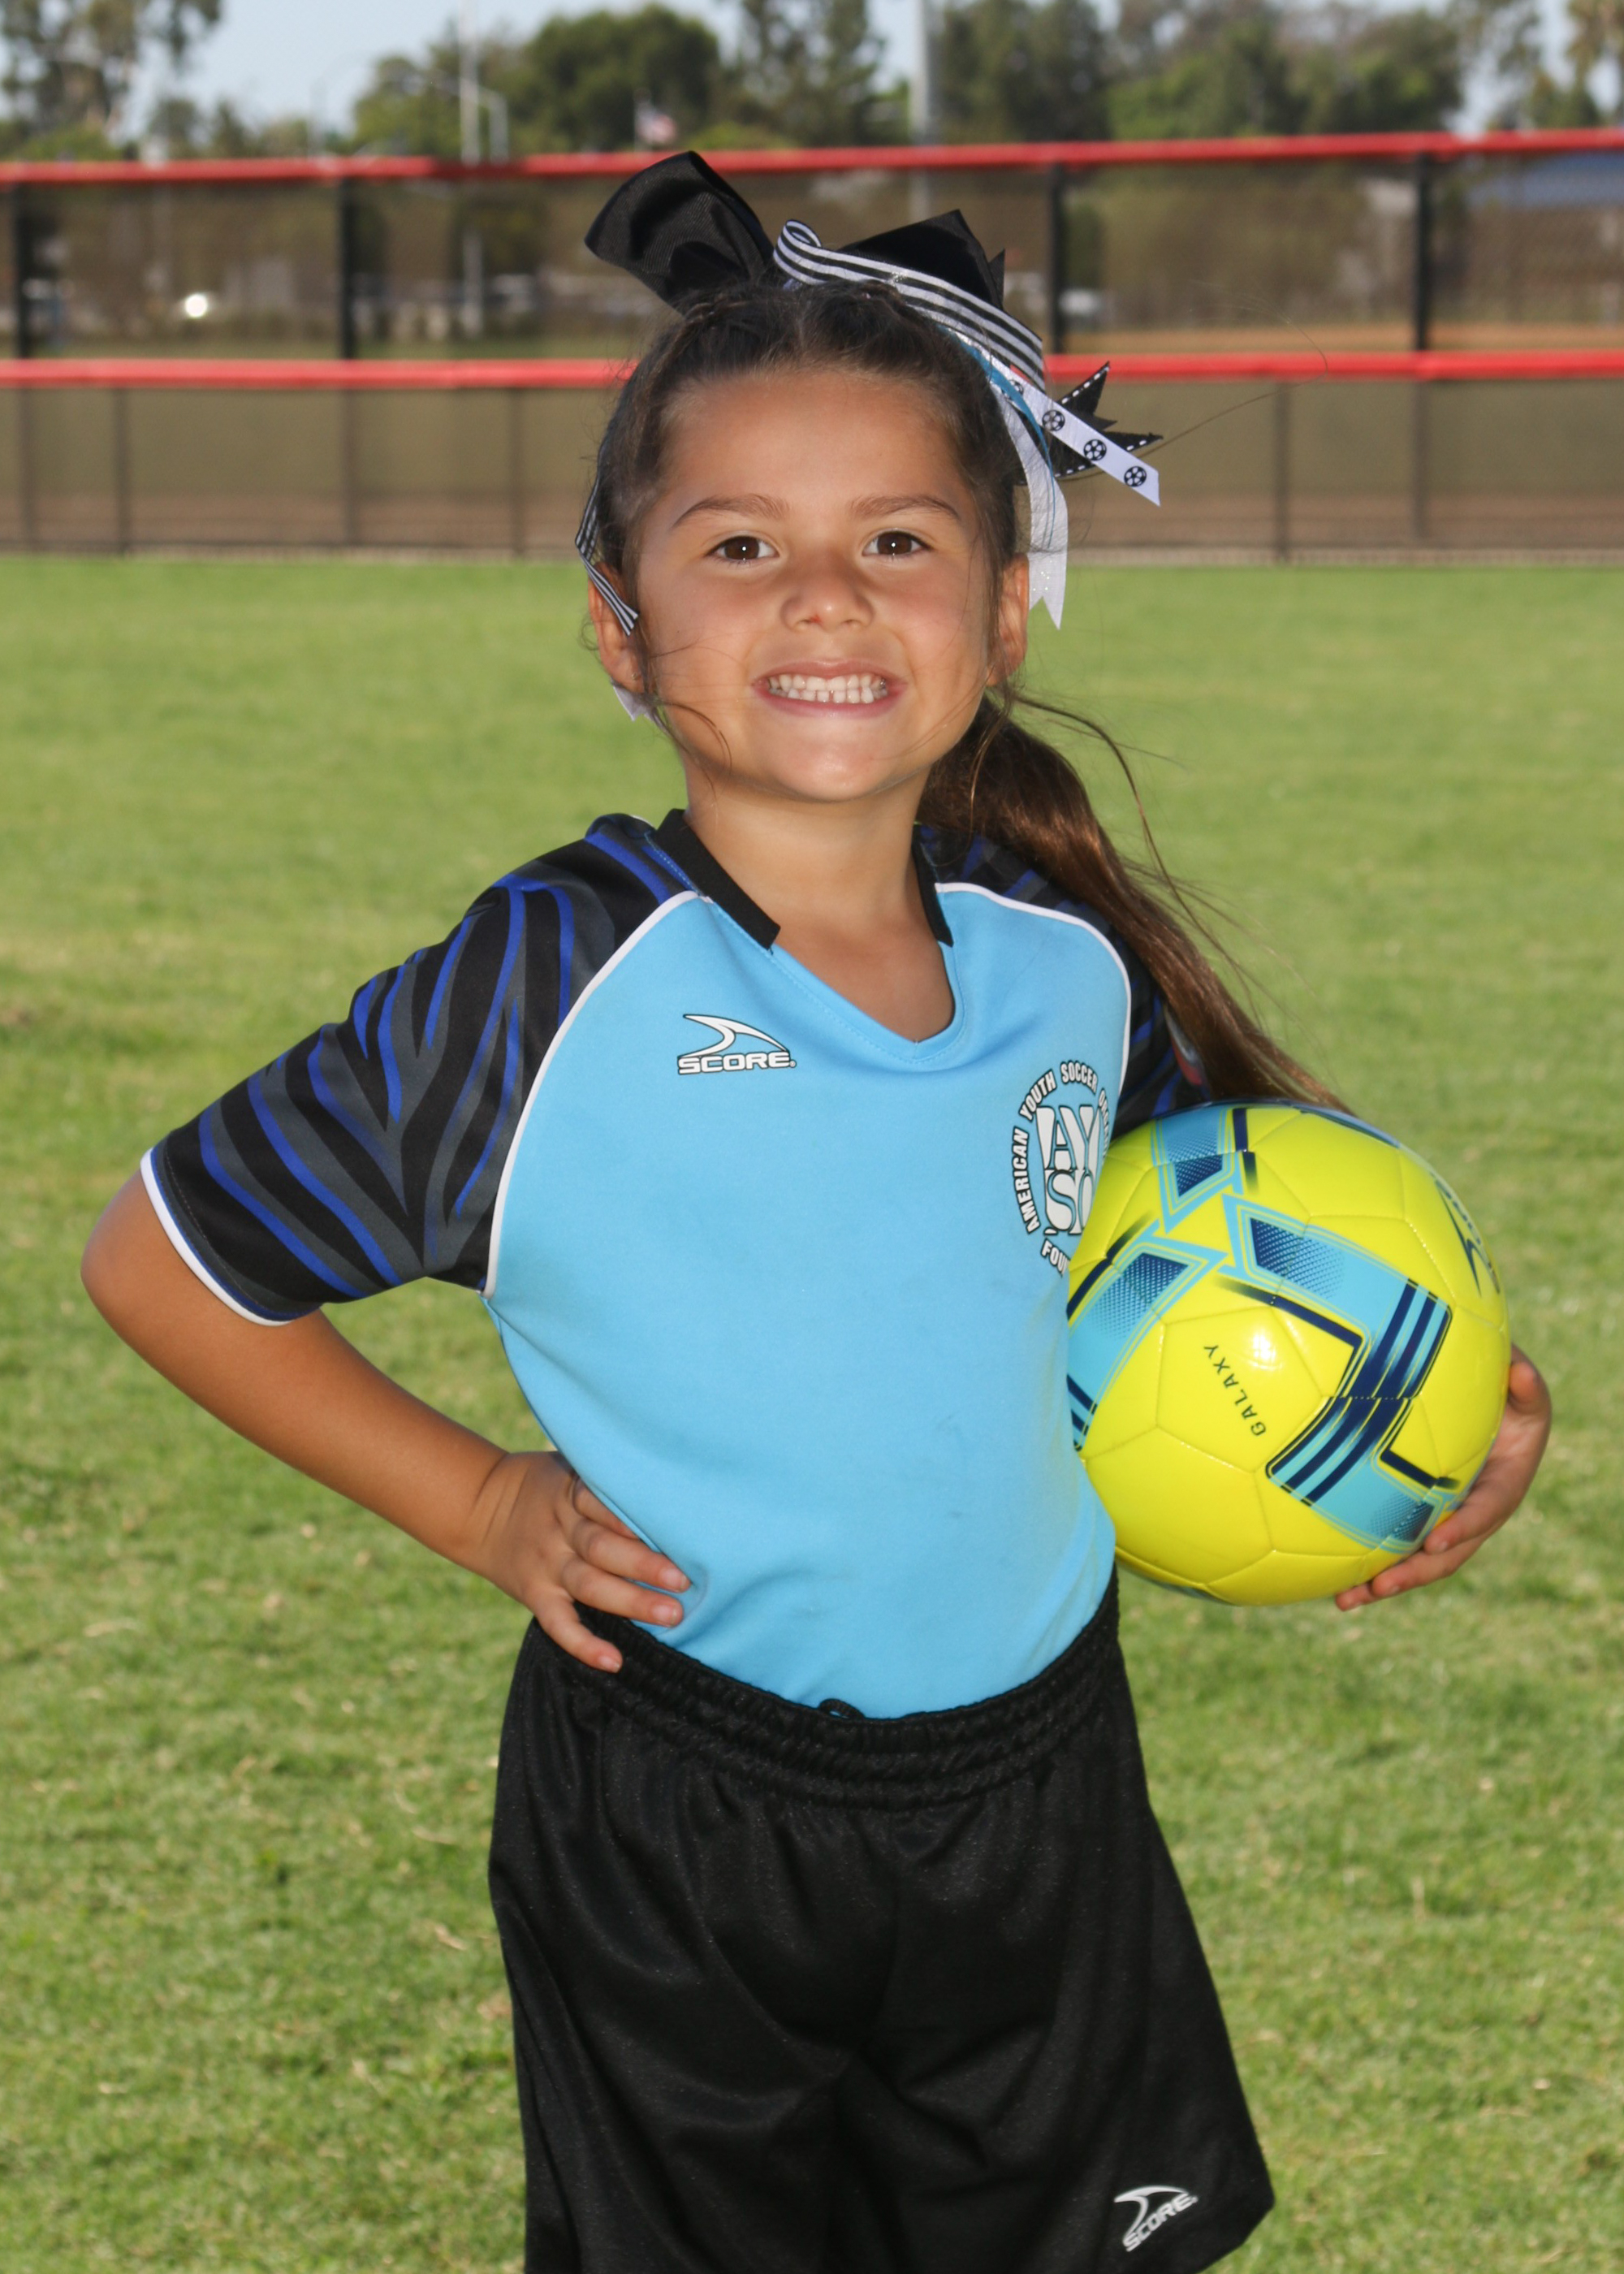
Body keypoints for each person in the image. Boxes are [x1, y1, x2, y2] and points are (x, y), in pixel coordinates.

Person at [81, 155, 1551, 2274]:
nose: (829, 598)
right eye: (742, 544)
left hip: (1042, 1787)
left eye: (898, 540)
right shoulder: (547, 984)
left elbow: (1243, 1222)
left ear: (1005, 606)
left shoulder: (1059, 955)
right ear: (620, 621)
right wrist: (483, 1506)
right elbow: (167, 1259)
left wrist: (1445, 1396)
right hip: (685, 1814)